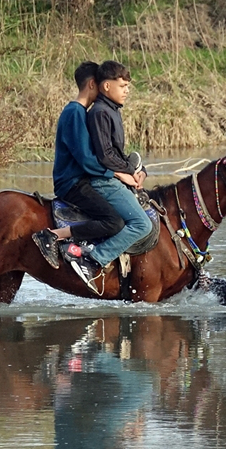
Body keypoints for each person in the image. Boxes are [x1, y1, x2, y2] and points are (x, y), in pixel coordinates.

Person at [32, 62, 127, 287]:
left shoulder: (78, 112)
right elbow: (85, 159)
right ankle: (54, 235)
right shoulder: (75, 112)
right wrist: (115, 174)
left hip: (80, 180)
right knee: (113, 221)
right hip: (72, 183)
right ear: (93, 84)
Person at [74, 60, 154, 292]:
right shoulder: (100, 112)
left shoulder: (112, 111)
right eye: (122, 86)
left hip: (115, 177)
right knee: (142, 224)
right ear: (106, 86)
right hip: (104, 181)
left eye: (128, 86)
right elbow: (105, 156)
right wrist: (128, 174)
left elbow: (118, 154)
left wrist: (139, 171)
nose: (127, 91)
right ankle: (93, 260)